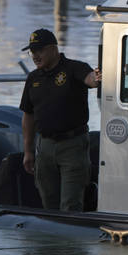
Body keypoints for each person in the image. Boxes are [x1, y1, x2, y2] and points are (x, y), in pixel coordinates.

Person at [19, 29, 101, 211]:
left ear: (53, 49)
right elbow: (28, 115)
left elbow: (90, 79)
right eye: (32, 52)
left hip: (72, 147)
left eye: (39, 50)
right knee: (49, 203)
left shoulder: (73, 68)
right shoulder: (33, 78)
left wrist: (97, 77)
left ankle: (72, 239)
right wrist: (28, 151)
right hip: (45, 147)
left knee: (70, 205)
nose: (35, 56)